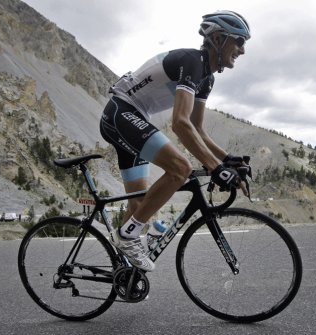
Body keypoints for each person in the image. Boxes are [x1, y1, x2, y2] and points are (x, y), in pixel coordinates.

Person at [99, 10, 251, 271]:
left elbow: (197, 128)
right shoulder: (193, 61)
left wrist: (226, 159)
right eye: (239, 41)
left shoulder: (207, 78)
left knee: (139, 205)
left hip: (133, 116)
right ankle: (126, 237)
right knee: (180, 168)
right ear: (218, 37)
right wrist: (216, 169)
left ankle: (123, 273)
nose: (243, 50)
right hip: (120, 112)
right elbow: (180, 123)